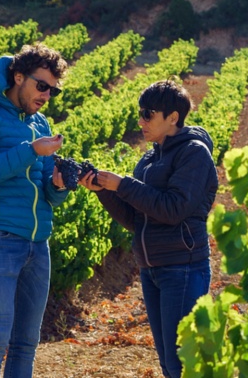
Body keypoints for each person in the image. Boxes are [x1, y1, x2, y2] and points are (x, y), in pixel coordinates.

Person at [80, 79, 218, 378]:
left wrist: (123, 184)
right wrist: (104, 190)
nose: (140, 120)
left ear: (173, 118)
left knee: (182, 364)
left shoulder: (194, 153)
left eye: (148, 114)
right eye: (140, 113)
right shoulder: (150, 157)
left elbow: (173, 209)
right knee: (169, 363)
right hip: (153, 267)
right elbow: (135, 219)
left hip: (183, 267)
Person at [0, 44, 70, 378]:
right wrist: (30, 150)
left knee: (26, 343)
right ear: (18, 77)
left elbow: (47, 191)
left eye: (53, 90)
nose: (47, 95)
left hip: (38, 243)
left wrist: (59, 186)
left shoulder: (41, 124)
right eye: (42, 85)